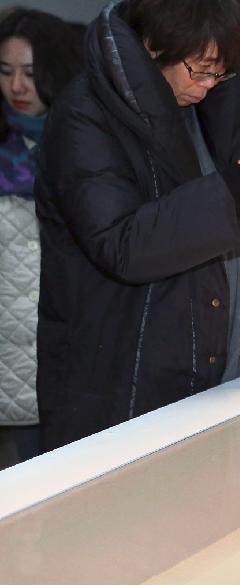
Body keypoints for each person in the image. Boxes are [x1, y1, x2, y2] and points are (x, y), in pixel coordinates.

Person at [34, 0, 240, 451]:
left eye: (220, 72)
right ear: (152, 43)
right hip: (122, 387)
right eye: (200, 70)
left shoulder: (208, 105)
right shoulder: (85, 113)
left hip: (210, 376)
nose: (208, 86)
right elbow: (124, 245)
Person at [0, 8, 82, 467]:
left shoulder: (83, 150)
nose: (16, 87)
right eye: (5, 71)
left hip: (66, 360)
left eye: (30, 74)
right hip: (10, 366)